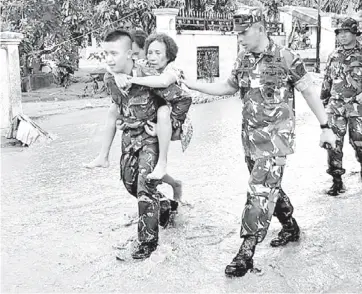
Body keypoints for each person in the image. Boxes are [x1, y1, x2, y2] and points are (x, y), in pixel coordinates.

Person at [182, 9, 337, 278]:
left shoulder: (287, 57)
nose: (239, 37)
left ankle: (246, 251)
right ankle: (289, 226)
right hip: (250, 139)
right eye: (237, 33)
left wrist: (325, 127)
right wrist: (194, 86)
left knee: (260, 190)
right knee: (267, 186)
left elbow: (310, 91)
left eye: (243, 32)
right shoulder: (242, 58)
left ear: (260, 29)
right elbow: (228, 88)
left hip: (277, 140)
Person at [94, 29, 180, 259]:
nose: (109, 59)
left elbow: (180, 96)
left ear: (130, 54)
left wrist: (170, 124)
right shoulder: (109, 79)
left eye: (114, 53)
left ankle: (147, 242)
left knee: (145, 186)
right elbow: (117, 107)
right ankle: (165, 206)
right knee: (129, 183)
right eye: (106, 54)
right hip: (129, 139)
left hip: (150, 139)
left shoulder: (150, 74)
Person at [116, 33, 193, 184]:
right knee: (143, 168)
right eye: (150, 52)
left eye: (158, 53)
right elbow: (119, 62)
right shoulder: (145, 66)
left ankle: (162, 163)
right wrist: (117, 74)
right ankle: (175, 184)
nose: (152, 57)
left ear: (168, 55)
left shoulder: (174, 69)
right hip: (152, 117)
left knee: (163, 112)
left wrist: (132, 79)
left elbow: (164, 81)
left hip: (176, 119)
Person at [320, 17, 362, 196]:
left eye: (346, 32)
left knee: (360, 143)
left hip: (357, 108)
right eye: (339, 33)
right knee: (333, 146)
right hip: (335, 107)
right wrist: (323, 105)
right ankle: (337, 181)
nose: (342, 36)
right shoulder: (333, 55)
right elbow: (327, 82)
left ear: (354, 33)